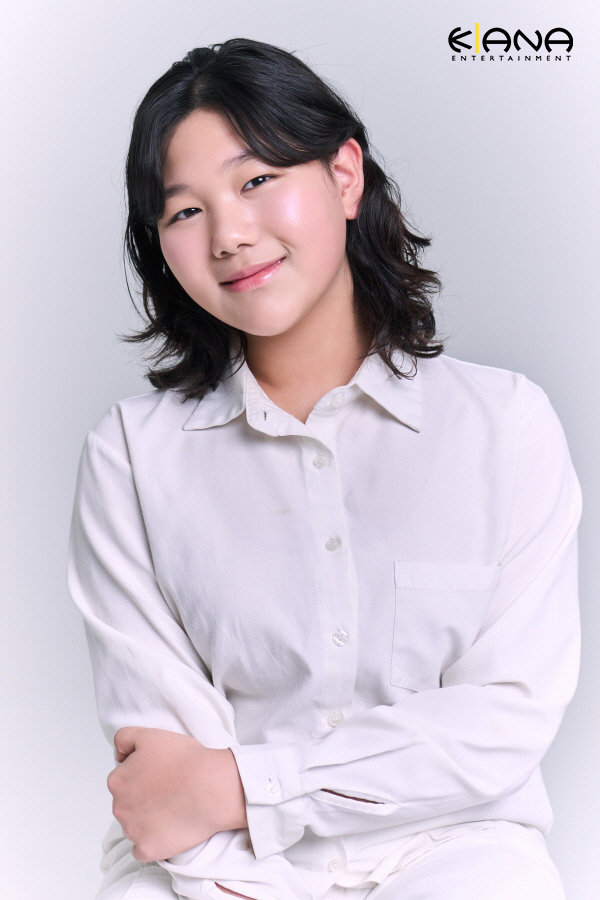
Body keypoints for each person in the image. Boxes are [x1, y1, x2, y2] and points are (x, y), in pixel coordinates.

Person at [67, 38, 581, 900]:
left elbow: (500, 724)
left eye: (257, 180)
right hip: (212, 866)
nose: (230, 235)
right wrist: (222, 811)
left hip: (455, 852)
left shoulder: (504, 427)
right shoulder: (131, 457)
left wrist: (244, 785)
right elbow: (164, 780)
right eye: (184, 212)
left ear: (345, 176)